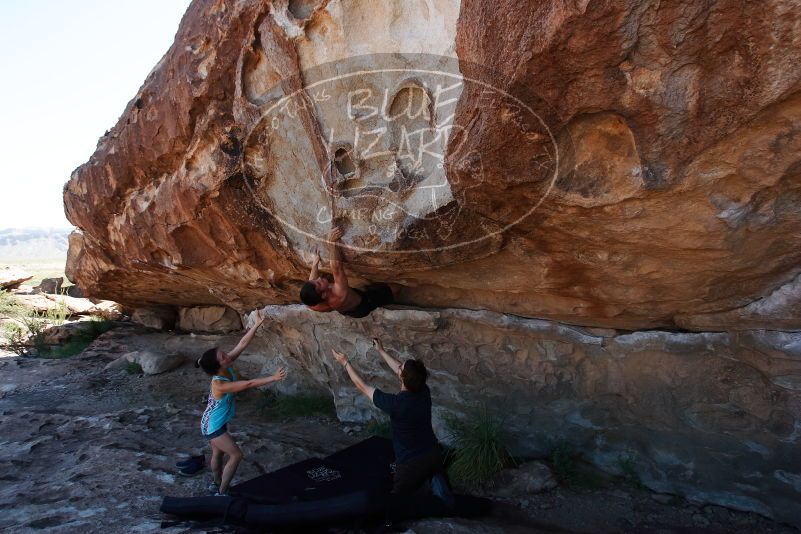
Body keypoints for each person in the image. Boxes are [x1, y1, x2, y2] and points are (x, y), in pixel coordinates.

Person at [331, 338, 443, 501]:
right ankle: (434, 480)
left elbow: (361, 386)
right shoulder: (423, 390)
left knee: (396, 501)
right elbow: (401, 369)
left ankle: (431, 492)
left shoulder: (396, 404)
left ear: (402, 377)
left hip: (411, 464)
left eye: (401, 368)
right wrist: (381, 351)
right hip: (433, 453)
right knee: (426, 475)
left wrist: (345, 363)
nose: (399, 366)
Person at [195, 309, 287, 495]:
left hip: (210, 422)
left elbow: (242, 343)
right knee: (236, 455)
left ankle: (216, 482)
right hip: (213, 427)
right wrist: (273, 378)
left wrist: (257, 324)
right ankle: (221, 492)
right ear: (218, 365)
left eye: (224, 354)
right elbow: (249, 383)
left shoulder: (224, 366)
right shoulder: (220, 384)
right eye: (223, 357)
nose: (227, 356)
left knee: (218, 453)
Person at [300, 227, 394, 318]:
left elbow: (311, 282)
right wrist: (331, 243)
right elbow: (337, 267)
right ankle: (393, 295)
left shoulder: (312, 303)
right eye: (319, 283)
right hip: (363, 305)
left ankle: (366, 289)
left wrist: (315, 263)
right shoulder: (338, 294)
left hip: (347, 308)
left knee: (363, 287)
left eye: (316, 281)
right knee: (393, 290)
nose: (319, 278)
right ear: (323, 295)